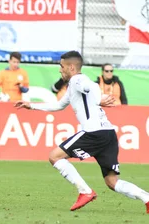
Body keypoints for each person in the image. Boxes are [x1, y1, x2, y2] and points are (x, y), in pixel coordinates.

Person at [15, 51, 149, 213]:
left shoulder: (78, 80)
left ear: (71, 67)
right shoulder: (73, 86)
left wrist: (98, 99)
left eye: (62, 66)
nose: (60, 70)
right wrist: (32, 105)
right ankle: (146, 198)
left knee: (54, 156)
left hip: (94, 133)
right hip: (108, 134)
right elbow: (58, 106)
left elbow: (92, 86)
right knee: (112, 182)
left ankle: (85, 191)